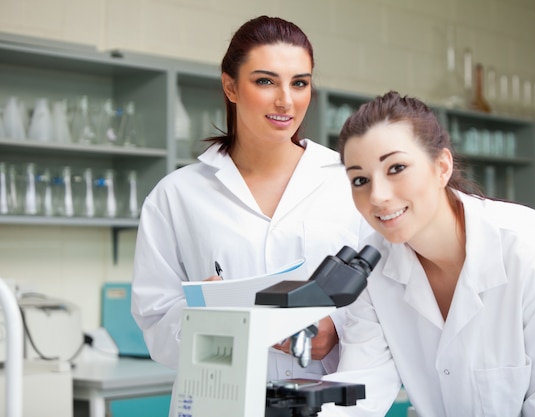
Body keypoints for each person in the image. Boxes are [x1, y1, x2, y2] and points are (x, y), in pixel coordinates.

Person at [318, 91, 535, 416]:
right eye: (360, 179)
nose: (377, 196)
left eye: (396, 168)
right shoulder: (374, 267)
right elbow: (358, 395)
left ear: (442, 167)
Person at [130, 15, 370, 415]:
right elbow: (155, 323)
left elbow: (386, 303)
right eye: (265, 81)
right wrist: (201, 315)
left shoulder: (349, 185)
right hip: (216, 403)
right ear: (231, 86)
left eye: (299, 82)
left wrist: (337, 330)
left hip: (324, 404)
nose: (285, 101)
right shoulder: (177, 195)